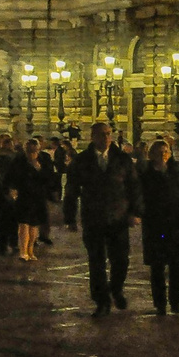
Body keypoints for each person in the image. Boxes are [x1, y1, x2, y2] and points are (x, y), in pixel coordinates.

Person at [63, 121, 143, 317]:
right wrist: (70, 217)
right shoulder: (82, 161)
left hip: (118, 217)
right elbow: (72, 189)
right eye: (101, 134)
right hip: (93, 217)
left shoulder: (122, 159)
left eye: (108, 134)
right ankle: (101, 300)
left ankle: (116, 289)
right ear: (92, 137)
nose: (106, 138)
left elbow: (134, 187)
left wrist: (136, 212)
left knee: (121, 260)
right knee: (96, 261)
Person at [139, 139, 179, 315]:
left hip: (176, 227)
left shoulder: (177, 172)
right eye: (160, 152)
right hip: (156, 228)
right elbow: (141, 199)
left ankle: (176, 301)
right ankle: (160, 302)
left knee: (176, 265)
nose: (164, 155)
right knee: (157, 266)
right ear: (152, 155)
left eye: (166, 151)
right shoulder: (146, 175)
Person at [7, 137, 50, 262]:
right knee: (23, 223)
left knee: (34, 225)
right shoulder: (19, 160)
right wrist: (13, 189)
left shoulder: (44, 159)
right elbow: (12, 176)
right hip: (24, 195)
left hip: (38, 196)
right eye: (29, 150)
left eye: (34, 150)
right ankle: (23, 251)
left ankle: (30, 250)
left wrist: (39, 168)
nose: (32, 153)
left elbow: (49, 177)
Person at [0, 134, 17, 255]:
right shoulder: (9, 157)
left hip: (1, 189)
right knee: (11, 217)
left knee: (4, 218)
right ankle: (11, 243)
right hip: (8, 189)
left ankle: (5, 245)